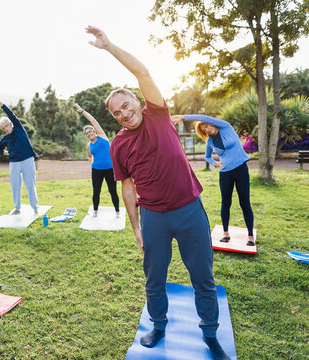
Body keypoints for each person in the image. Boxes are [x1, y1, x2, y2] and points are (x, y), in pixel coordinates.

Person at [85, 26, 230, 360]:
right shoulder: (118, 144)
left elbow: (142, 71)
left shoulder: (159, 115)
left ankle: (210, 333)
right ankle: (159, 325)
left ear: (137, 100)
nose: (123, 113)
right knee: (154, 279)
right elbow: (127, 185)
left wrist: (108, 46)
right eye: (116, 112)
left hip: (189, 210)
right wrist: (136, 226)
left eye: (126, 105)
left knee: (202, 278)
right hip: (153, 217)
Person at [172, 115, 254, 246]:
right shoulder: (210, 141)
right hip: (225, 173)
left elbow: (202, 116)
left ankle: (250, 236)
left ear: (211, 123)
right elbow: (207, 156)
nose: (207, 129)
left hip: (241, 169)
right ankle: (225, 234)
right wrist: (215, 163)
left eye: (207, 126)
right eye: (204, 130)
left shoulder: (225, 127)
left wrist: (183, 117)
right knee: (226, 203)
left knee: (245, 202)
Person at [0, 92, 39, 216]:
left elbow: (10, 113)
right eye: (3, 128)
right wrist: (7, 153)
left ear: (11, 124)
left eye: (6, 126)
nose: (6, 129)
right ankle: (17, 208)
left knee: (30, 184)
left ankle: (35, 209)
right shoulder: (5, 138)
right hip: (14, 163)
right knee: (15, 186)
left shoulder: (18, 127)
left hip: (27, 160)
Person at [74, 103, 120, 218]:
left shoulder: (102, 136)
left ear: (94, 131)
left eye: (90, 131)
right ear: (86, 136)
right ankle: (95, 212)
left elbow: (93, 121)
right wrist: (92, 162)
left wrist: (82, 111)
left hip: (110, 169)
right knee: (96, 191)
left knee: (113, 191)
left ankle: (118, 212)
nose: (89, 133)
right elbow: (89, 156)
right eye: (87, 133)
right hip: (96, 170)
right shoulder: (89, 145)